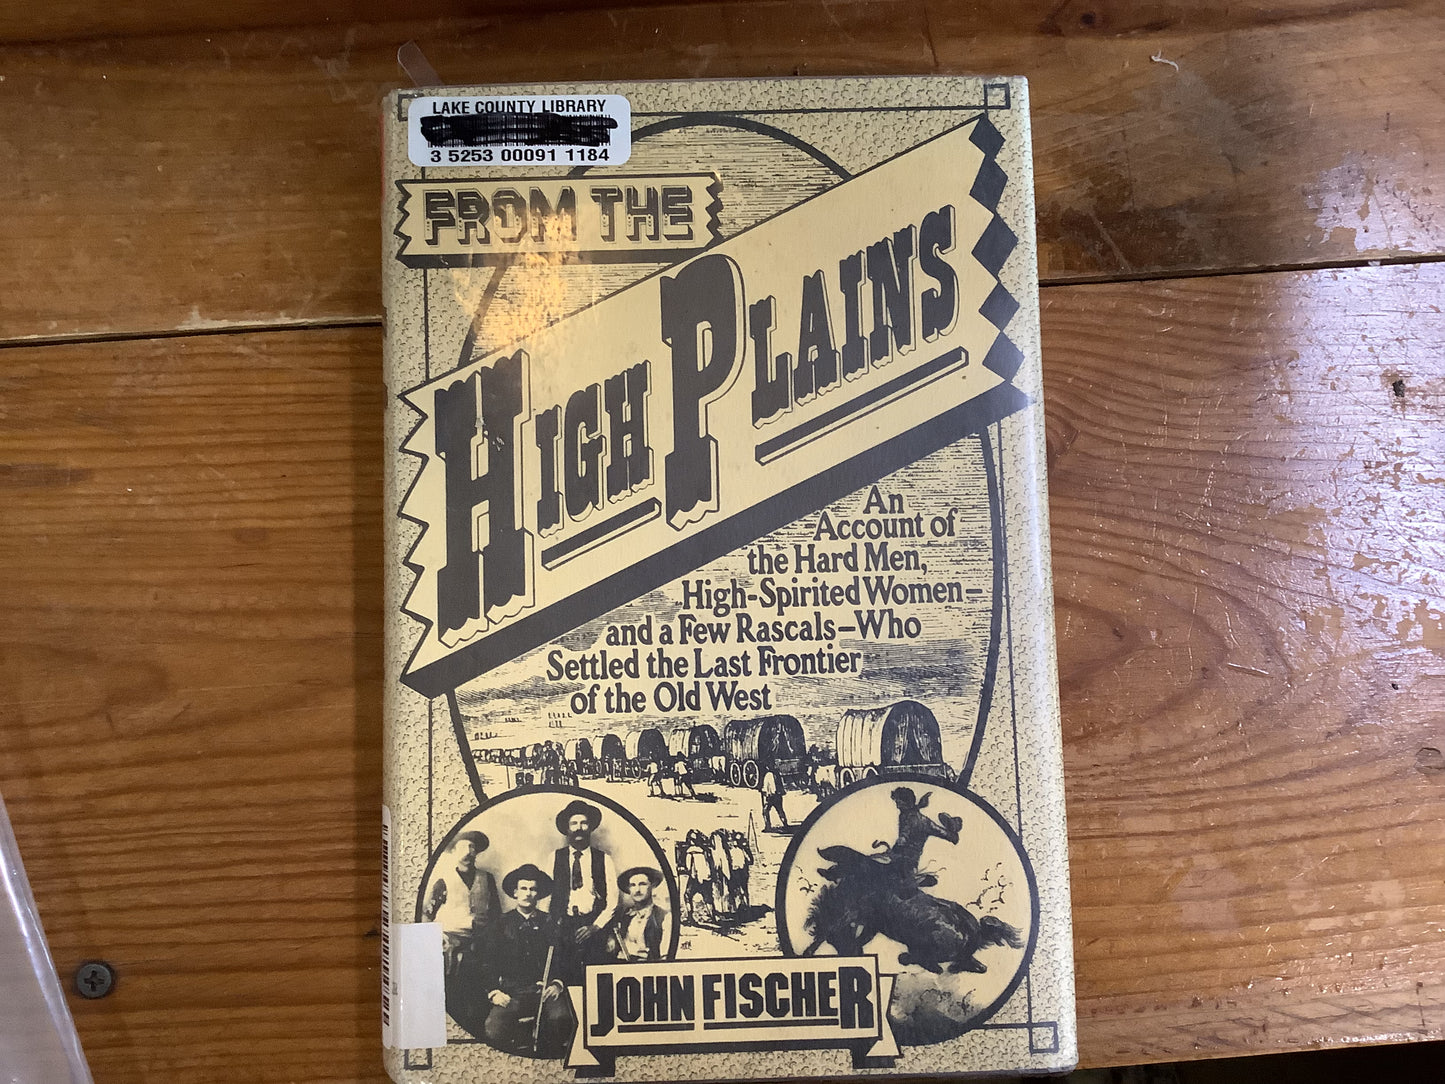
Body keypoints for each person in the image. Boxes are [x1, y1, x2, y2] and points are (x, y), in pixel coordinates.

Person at [480, 864, 573, 1058]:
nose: (528, 893)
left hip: (544, 992)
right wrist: (494, 992)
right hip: (512, 993)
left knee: (562, 1020)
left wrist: (557, 984)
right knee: (493, 1029)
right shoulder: (500, 925)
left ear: (538, 894)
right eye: (523, 888)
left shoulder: (551, 923)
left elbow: (564, 959)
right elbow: (487, 963)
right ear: (515, 892)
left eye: (533, 889)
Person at [422, 831, 500, 1031]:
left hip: (480, 942)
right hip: (451, 941)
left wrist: (491, 939)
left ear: (477, 852)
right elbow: (427, 914)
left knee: (479, 987)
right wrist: (438, 937)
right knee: (453, 988)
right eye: (463, 847)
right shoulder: (443, 879)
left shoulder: (486, 878)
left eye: (472, 847)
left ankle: (478, 1028)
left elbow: (495, 914)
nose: (467, 852)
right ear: (454, 851)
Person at [549, 798, 617, 981]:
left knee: (594, 978)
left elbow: (612, 902)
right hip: (564, 927)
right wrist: (552, 925)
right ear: (567, 829)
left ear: (590, 827)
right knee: (565, 978)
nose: (579, 828)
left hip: (594, 926)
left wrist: (595, 927)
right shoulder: (554, 858)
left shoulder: (604, 859)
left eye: (583, 823)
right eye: (574, 823)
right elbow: (546, 897)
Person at [602, 867, 673, 962]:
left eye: (642, 884)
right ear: (628, 889)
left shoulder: (664, 917)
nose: (637, 890)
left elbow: (665, 957)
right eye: (633, 885)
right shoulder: (623, 917)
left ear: (652, 886)